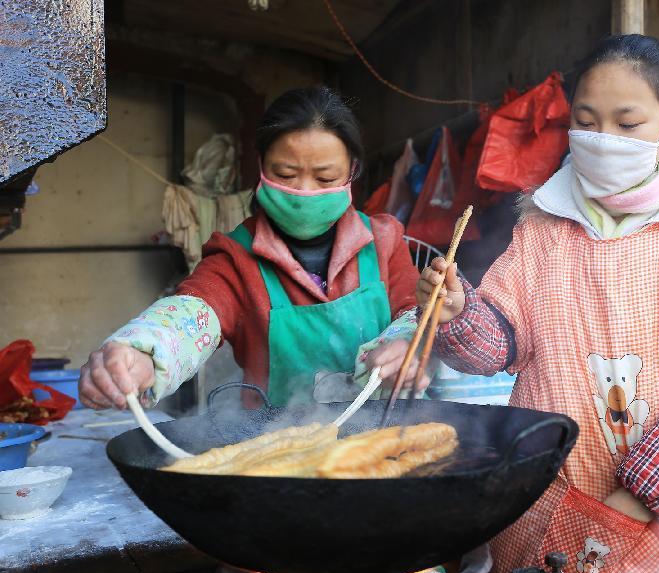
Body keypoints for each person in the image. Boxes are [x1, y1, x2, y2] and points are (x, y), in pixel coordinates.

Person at [416, 35, 659, 573]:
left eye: (627, 124)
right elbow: (497, 345)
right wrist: (459, 311)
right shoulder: (544, 225)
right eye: (586, 121)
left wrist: (636, 500)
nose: (604, 141)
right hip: (540, 509)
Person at [80, 87, 424, 410]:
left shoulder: (384, 242)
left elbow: (415, 314)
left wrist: (405, 346)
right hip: (273, 447)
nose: (303, 191)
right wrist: (141, 354)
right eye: (286, 174)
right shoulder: (235, 258)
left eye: (324, 178)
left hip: (387, 431)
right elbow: (192, 315)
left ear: (353, 171)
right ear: (260, 167)